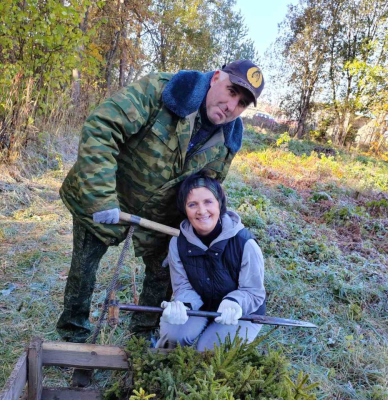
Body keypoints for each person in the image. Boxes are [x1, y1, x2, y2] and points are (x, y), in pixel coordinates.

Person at [57, 60, 265, 360]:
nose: (231, 105)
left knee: (162, 276)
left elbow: (207, 188)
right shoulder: (161, 92)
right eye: (231, 91)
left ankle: (142, 340)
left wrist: (200, 235)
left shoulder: (228, 140)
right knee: (84, 269)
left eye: (242, 103)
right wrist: (102, 198)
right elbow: (103, 127)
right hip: (107, 195)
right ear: (216, 77)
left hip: (161, 217)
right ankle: (71, 341)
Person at [156, 172, 266, 350]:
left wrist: (234, 302)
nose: (201, 211)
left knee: (208, 350)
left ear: (219, 204)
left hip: (241, 312)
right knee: (171, 338)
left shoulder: (245, 243)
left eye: (208, 202)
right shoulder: (177, 243)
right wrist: (184, 305)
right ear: (184, 209)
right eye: (192, 204)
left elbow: (254, 292)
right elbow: (182, 286)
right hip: (202, 305)